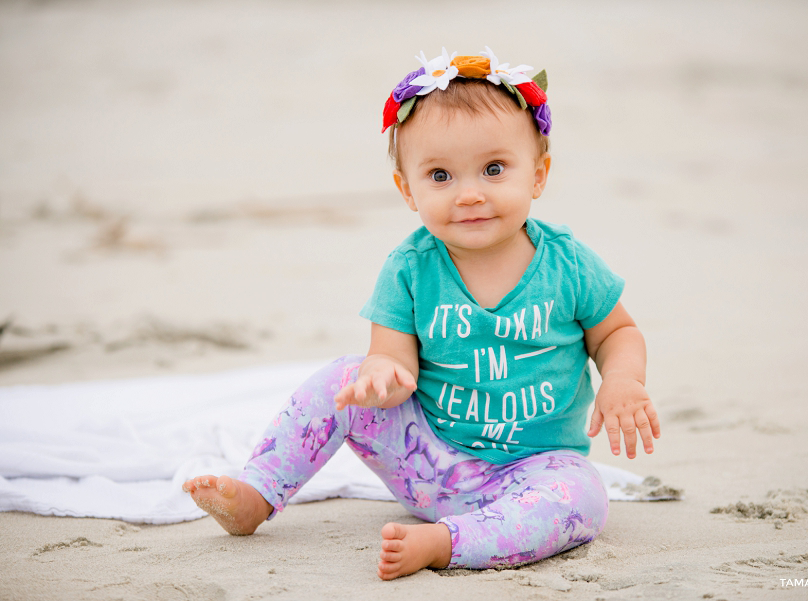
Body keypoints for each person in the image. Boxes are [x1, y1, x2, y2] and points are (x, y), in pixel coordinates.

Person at [183, 47, 661, 580]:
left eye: (494, 169)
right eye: (440, 176)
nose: (470, 194)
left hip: (535, 470)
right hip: (428, 462)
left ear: (539, 175)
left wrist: (622, 378)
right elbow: (391, 363)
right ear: (407, 189)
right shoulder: (410, 269)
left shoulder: (567, 264)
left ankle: (447, 542)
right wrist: (381, 379)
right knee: (342, 376)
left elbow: (616, 331)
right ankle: (257, 493)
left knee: (584, 499)